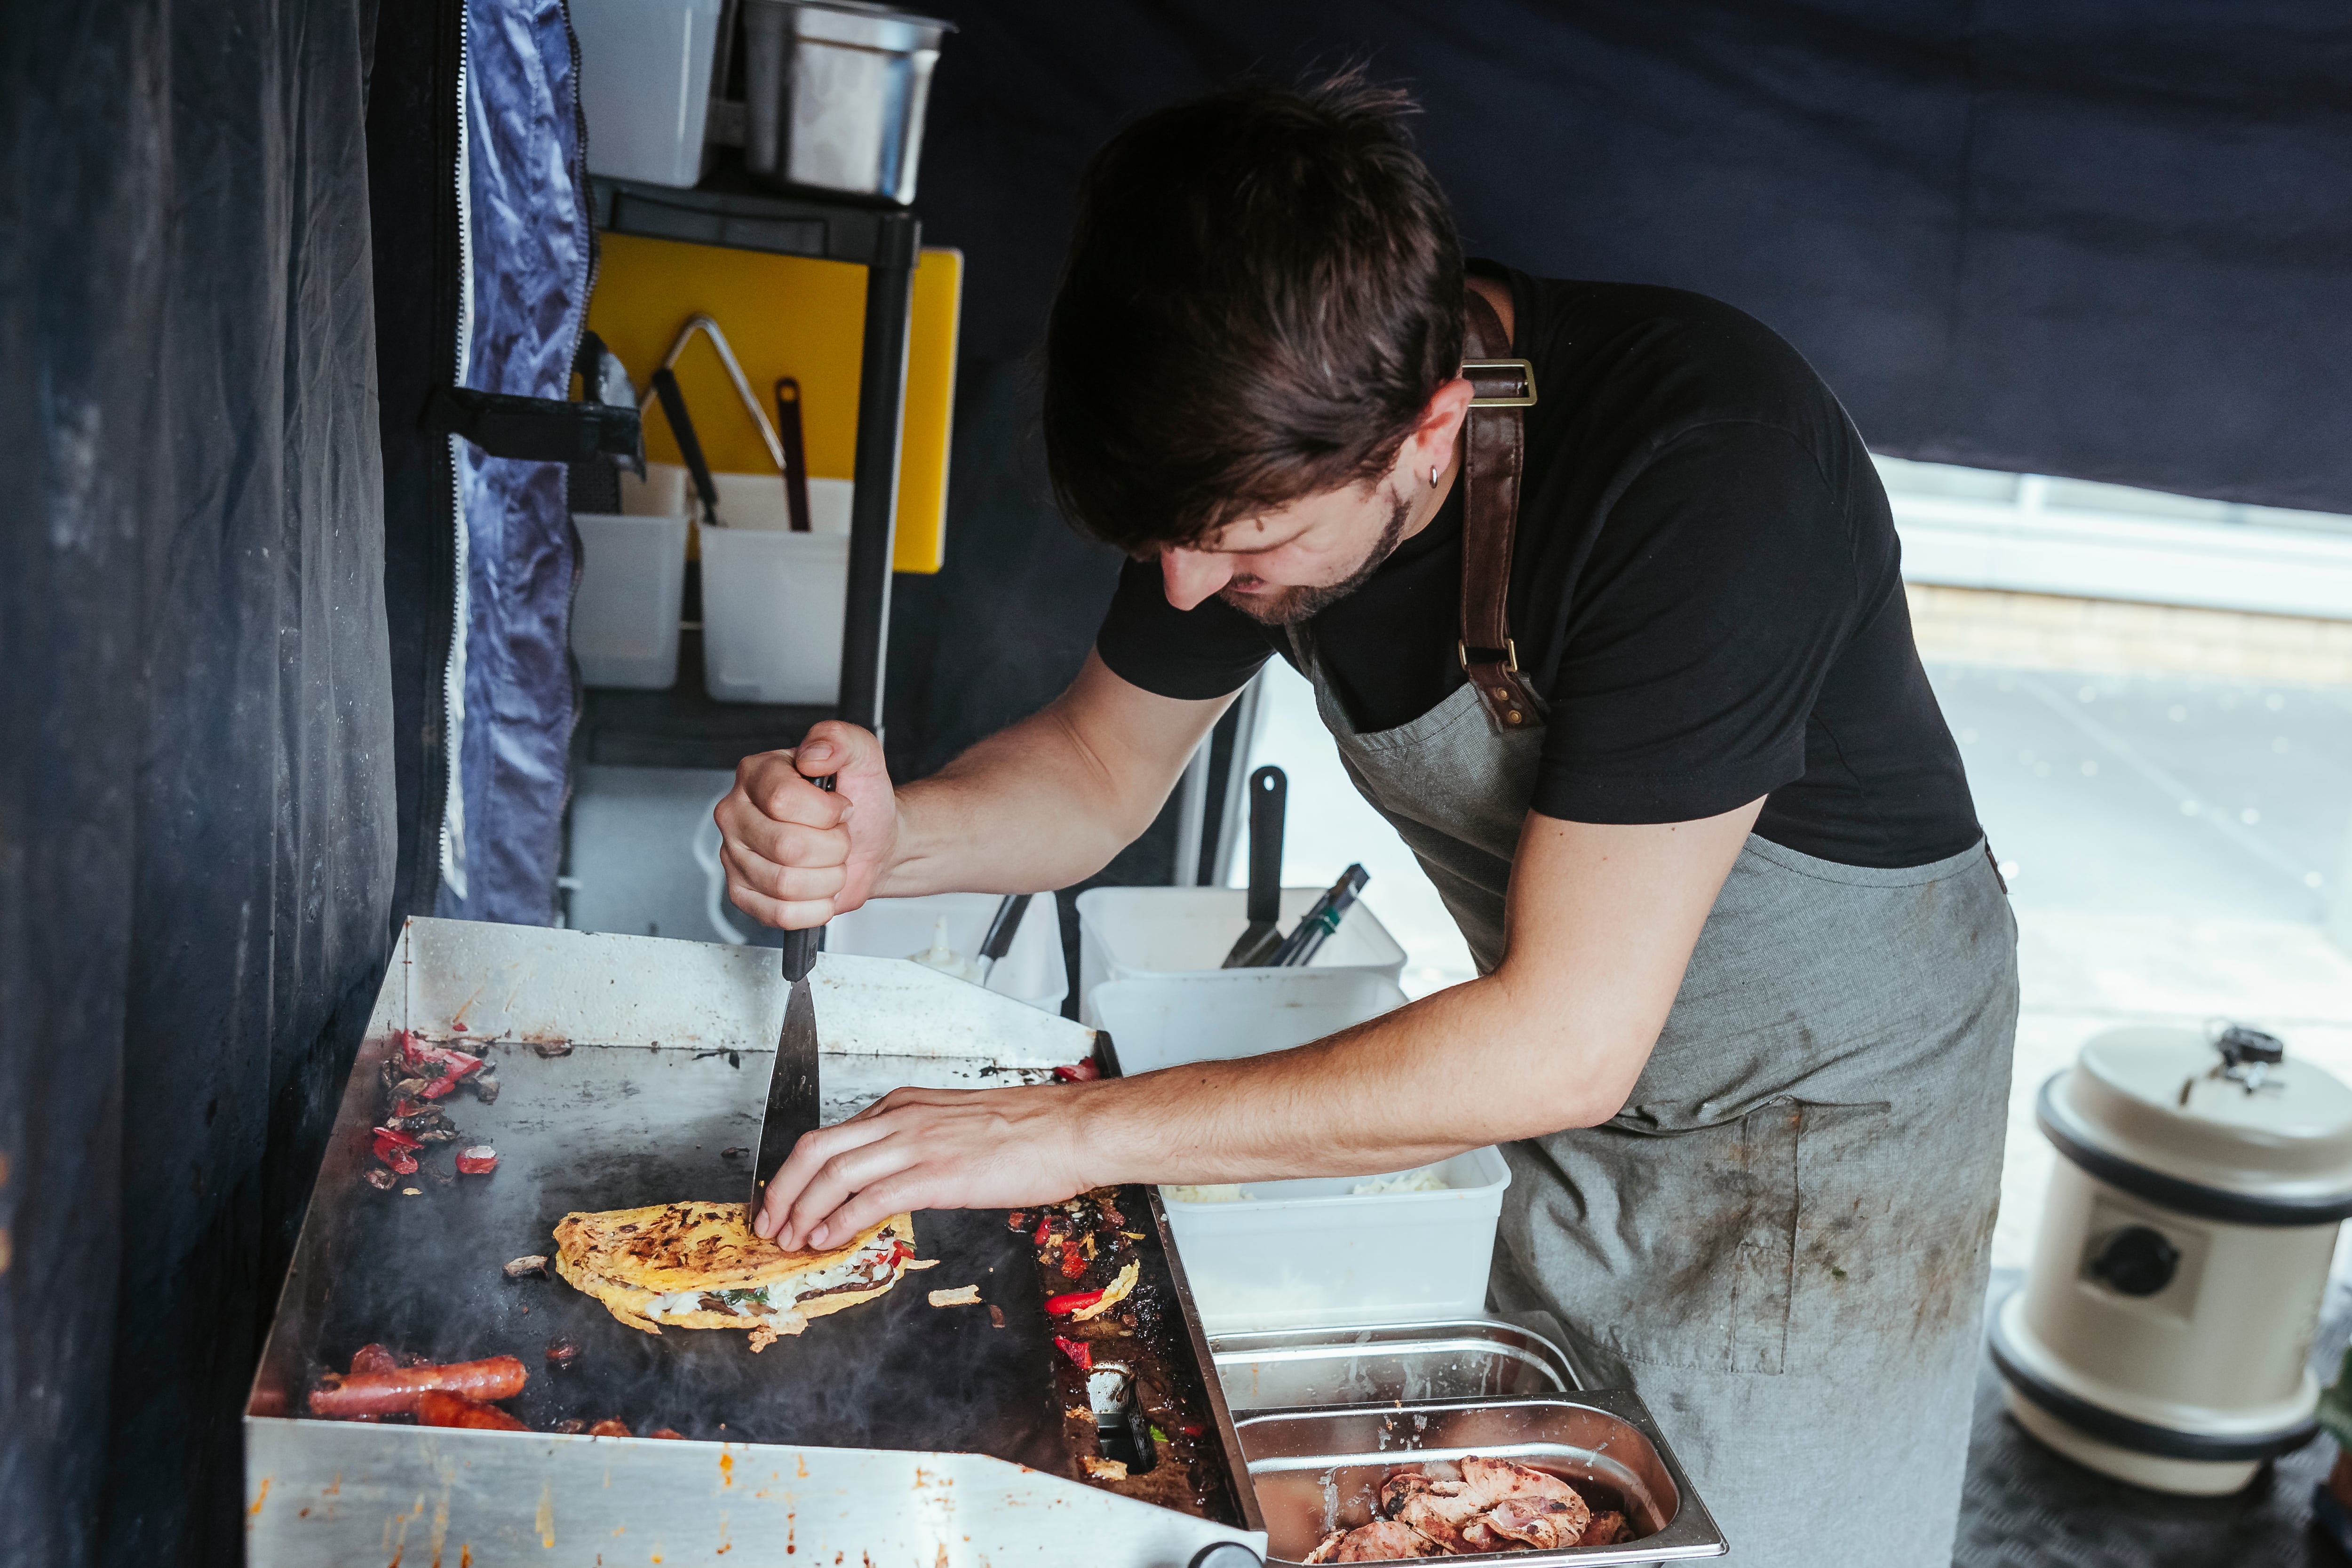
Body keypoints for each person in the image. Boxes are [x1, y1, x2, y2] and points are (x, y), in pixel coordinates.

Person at [714, 74, 2014, 1567]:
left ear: (1432, 427)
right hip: (1564, 1101)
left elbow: (1563, 1039)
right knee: (1494, 1523)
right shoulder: (1246, 424)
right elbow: (1094, 769)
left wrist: (1063, 1135)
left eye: (1249, 549)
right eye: (1168, 548)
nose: (1194, 592)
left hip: (1822, 1145)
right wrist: (891, 840)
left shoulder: (1708, 467)